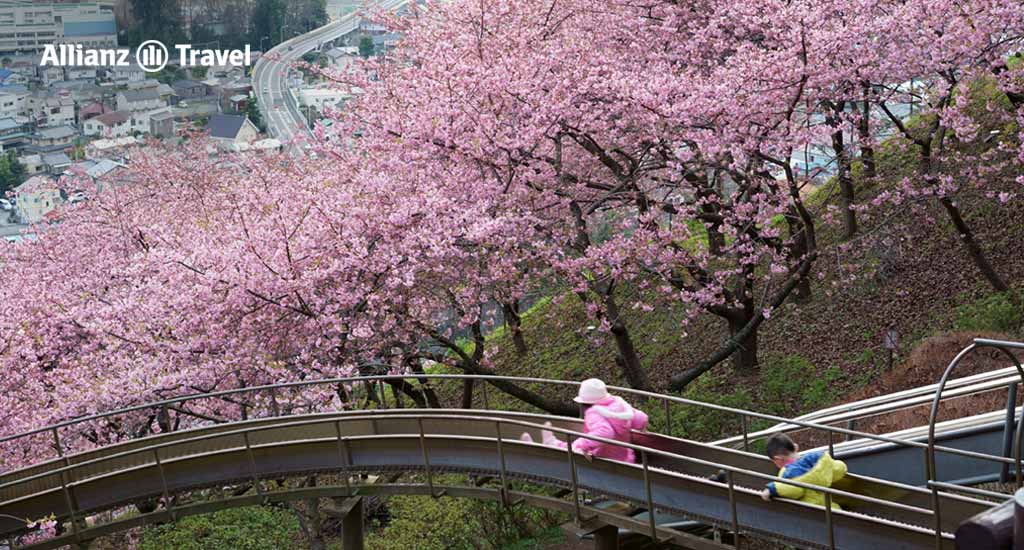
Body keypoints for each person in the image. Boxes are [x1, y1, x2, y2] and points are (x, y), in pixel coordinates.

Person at [520, 378, 648, 463]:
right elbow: (641, 418)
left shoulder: (594, 413)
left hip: (602, 460)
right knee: (571, 446)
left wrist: (582, 445)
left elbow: (605, 433)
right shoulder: (617, 404)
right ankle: (550, 442)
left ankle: (541, 448)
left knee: (570, 452)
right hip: (625, 458)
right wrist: (641, 430)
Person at [759, 432, 847, 509]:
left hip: (809, 511)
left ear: (778, 459)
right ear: (796, 447)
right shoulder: (820, 460)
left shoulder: (789, 472)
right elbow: (839, 469)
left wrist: (772, 489)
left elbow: (794, 491)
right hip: (828, 506)